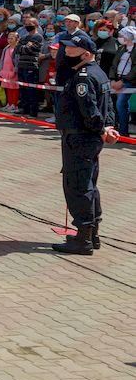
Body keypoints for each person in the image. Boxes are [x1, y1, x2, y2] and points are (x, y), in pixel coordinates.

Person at [50, 32, 119, 256]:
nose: (67, 51)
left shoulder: (83, 77)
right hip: (88, 138)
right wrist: (107, 127)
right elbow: (107, 106)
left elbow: (90, 109)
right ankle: (92, 234)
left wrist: (102, 129)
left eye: (72, 48)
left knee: (78, 186)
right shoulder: (98, 72)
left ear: (86, 53)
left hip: (80, 137)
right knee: (89, 184)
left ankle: (83, 238)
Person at [113, 26, 136, 137]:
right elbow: (114, 64)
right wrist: (113, 79)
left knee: (120, 104)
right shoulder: (121, 48)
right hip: (117, 79)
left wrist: (124, 80)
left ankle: (123, 132)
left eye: (122, 35)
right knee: (122, 105)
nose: (120, 37)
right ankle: (122, 131)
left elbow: (135, 69)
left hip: (128, 81)